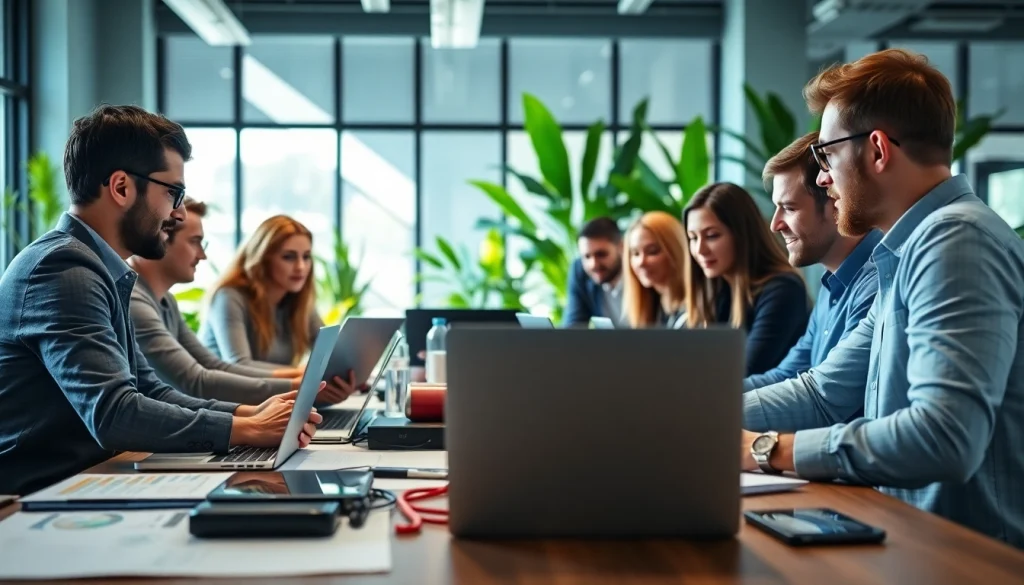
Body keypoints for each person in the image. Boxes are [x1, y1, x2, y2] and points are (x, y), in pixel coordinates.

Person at [740, 49, 1024, 548]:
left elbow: (943, 437)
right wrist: (694, 412)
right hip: (915, 542)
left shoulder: (955, 240)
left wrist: (767, 449)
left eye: (826, 155)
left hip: (967, 559)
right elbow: (823, 394)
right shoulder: (909, 250)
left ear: (876, 150)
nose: (823, 178)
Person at [0, 105, 321, 496]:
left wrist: (248, 413)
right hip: (38, 496)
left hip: (88, 478)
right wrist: (245, 429)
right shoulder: (65, 269)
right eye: (174, 192)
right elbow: (114, 413)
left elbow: (150, 389)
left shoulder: (99, 268)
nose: (179, 212)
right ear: (121, 188)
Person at [128, 198, 356, 405]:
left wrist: (315, 379)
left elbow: (214, 367)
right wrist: (304, 384)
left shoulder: (166, 301)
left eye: (306, 257)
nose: (202, 255)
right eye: (195, 242)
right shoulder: (136, 301)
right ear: (161, 237)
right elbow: (198, 381)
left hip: (200, 415)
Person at [744, 132, 881, 391]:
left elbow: (825, 396)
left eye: (790, 208)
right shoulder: (831, 285)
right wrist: (706, 396)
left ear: (835, 200)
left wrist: (711, 406)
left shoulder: (875, 283)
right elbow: (785, 376)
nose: (775, 224)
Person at [683, 183, 809, 375]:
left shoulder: (783, 290)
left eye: (711, 236)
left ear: (742, 234)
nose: (700, 250)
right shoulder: (719, 289)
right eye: (693, 238)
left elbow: (742, 373)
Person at [200, 215, 325, 369]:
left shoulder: (298, 300)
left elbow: (329, 354)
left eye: (306, 257)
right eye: (289, 257)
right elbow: (239, 364)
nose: (301, 267)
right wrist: (305, 375)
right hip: (221, 393)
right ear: (263, 258)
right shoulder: (229, 297)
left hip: (270, 392)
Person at [622, 211, 688, 328]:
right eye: (635, 253)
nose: (641, 262)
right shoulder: (648, 309)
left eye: (652, 251)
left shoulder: (696, 309)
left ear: (675, 251)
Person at [564, 217, 626, 327]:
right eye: (587, 257)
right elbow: (573, 326)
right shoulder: (579, 271)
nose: (593, 264)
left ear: (621, 247)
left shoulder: (641, 269)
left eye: (601, 254)